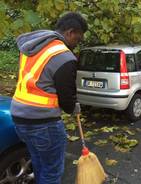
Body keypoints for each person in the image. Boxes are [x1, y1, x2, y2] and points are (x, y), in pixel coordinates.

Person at [10, 12, 88, 184]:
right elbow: (67, 100)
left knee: (39, 163)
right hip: (43, 123)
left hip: (19, 117)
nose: (77, 44)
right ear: (70, 32)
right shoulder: (64, 57)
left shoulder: (32, 48)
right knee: (52, 172)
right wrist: (74, 107)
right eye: (78, 39)